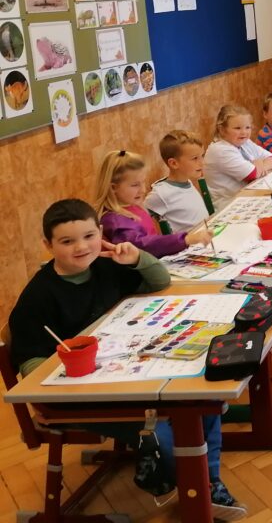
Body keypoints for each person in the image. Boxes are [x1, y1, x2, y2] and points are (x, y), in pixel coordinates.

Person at [8, 199, 246, 519]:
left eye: (89, 236)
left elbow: (159, 281)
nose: (82, 247)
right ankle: (187, 483)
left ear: (101, 233)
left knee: (202, 395)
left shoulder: (105, 266)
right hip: (78, 395)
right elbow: (30, 363)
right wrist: (65, 369)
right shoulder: (38, 296)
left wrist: (137, 258)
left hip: (124, 371)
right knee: (164, 430)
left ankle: (209, 480)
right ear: (48, 245)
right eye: (67, 241)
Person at [94, 150, 211, 258]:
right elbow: (142, 246)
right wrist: (185, 239)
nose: (143, 190)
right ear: (113, 188)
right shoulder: (115, 221)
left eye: (143, 182)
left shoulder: (133, 206)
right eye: (135, 185)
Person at [204, 103, 272, 211]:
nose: (244, 132)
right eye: (237, 128)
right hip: (229, 206)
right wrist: (258, 165)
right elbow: (253, 175)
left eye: (247, 127)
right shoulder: (220, 150)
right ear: (222, 129)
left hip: (248, 198)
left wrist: (259, 165)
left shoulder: (244, 142)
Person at [145, 130, 210, 233]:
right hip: (190, 242)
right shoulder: (161, 193)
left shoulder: (187, 181)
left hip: (205, 235)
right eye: (195, 158)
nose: (202, 163)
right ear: (174, 163)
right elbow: (139, 214)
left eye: (202, 156)